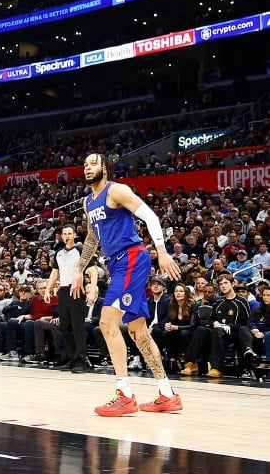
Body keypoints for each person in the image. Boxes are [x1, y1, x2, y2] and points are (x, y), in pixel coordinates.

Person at [76, 153, 182, 416]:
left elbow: (150, 216)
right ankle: (167, 394)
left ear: (105, 167)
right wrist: (79, 270)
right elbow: (91, 238)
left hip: (132, 257)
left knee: (106, 322)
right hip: (116, 264)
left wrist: (163, 250)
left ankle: (124, 394)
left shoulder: (117, 190)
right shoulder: (88, 203)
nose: (88, 167)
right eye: (85, 164)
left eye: (93, 163)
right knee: (139, 332)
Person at [45, 225, 97, 373]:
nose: (67, 236)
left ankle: (81, 360)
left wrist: (92, 291)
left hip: (77, 291)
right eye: (64, 233)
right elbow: (55, 273)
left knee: (78, 327)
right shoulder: (58, 253)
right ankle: (72, 358)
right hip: (63, 291)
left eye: (69, 233)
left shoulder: (80, 251)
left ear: (74, 235)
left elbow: (93, 272)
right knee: (64, 327)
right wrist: (48, 289)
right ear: (61, 236)